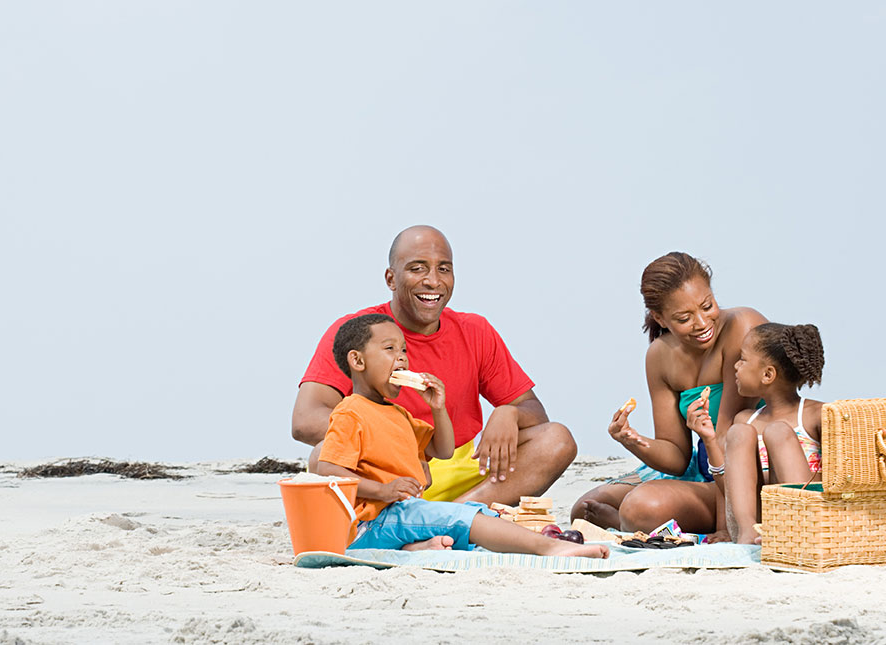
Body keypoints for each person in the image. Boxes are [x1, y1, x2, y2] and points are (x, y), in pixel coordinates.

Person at [292, 225, 576, 505]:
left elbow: (536, 414)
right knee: (321, 457)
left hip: (463, 469)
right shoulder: (357, 331)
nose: (433, 281)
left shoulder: (475, 330)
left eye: (444, 269)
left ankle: (455, 515)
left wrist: (508, 414)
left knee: (557, 440)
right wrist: (404, 449)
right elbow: (305, 421)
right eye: (417, 269)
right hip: (385, 475)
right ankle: (443, 521)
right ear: (391, 278)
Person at [315, 313, 608, 558]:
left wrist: (438, 408)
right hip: (370, 524)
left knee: (470, 513)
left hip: (399, 516)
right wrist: (383, 491)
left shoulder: (398, 414)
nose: (402, 359)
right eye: (390, 349)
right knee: (459, 518)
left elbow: (442, 450)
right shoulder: (349, 412)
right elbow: (329, 470)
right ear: (358, 361)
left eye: (404, 350)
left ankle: (416, 548)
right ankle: (550, 548)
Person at [570, 252, 767, 538]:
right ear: (659, 317)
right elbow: (676, 456)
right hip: (703, 473)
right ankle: (636, 524)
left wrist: (727, 530)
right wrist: (632, 439)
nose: (702, 323)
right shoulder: (660, 356)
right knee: (584, 509)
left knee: (640, 508)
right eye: (684, 318)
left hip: (744, 476)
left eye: (707, 306)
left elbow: (725, 439)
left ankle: (636, 523)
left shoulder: (742, 328)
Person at [723, 323, 825, 544]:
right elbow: (730, 483)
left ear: (767, 374)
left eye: (742, 359)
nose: (736, 366)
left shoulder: (816, 415)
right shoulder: (745, 419)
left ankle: (795, 530)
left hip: (805, 516)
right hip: (757, 523)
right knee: (738, 432)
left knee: (778, 432)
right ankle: (747, 533)